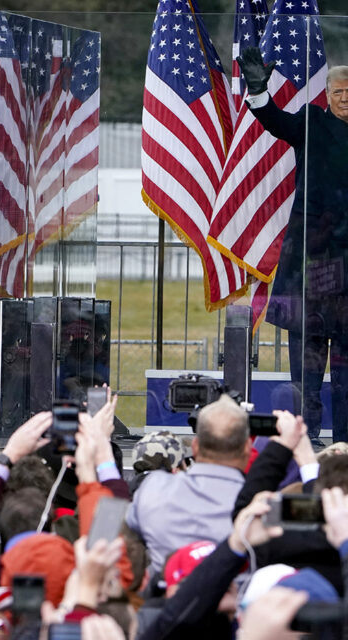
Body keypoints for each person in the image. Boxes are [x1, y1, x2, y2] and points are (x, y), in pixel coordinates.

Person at [237, 47, 348, 445]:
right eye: (338, 92)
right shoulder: (311, 123)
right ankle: (306, 436)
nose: (345, 98)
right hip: (309, 262)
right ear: (327, 95)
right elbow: (274, 121)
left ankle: (345, 443)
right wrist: (257, 90)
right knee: (307, 361)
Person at [126, 395, 250, 574]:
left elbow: (112, 534)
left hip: (164, 595)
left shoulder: (153, 489)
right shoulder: (260, 507)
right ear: (247, 448)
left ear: (196, 447)